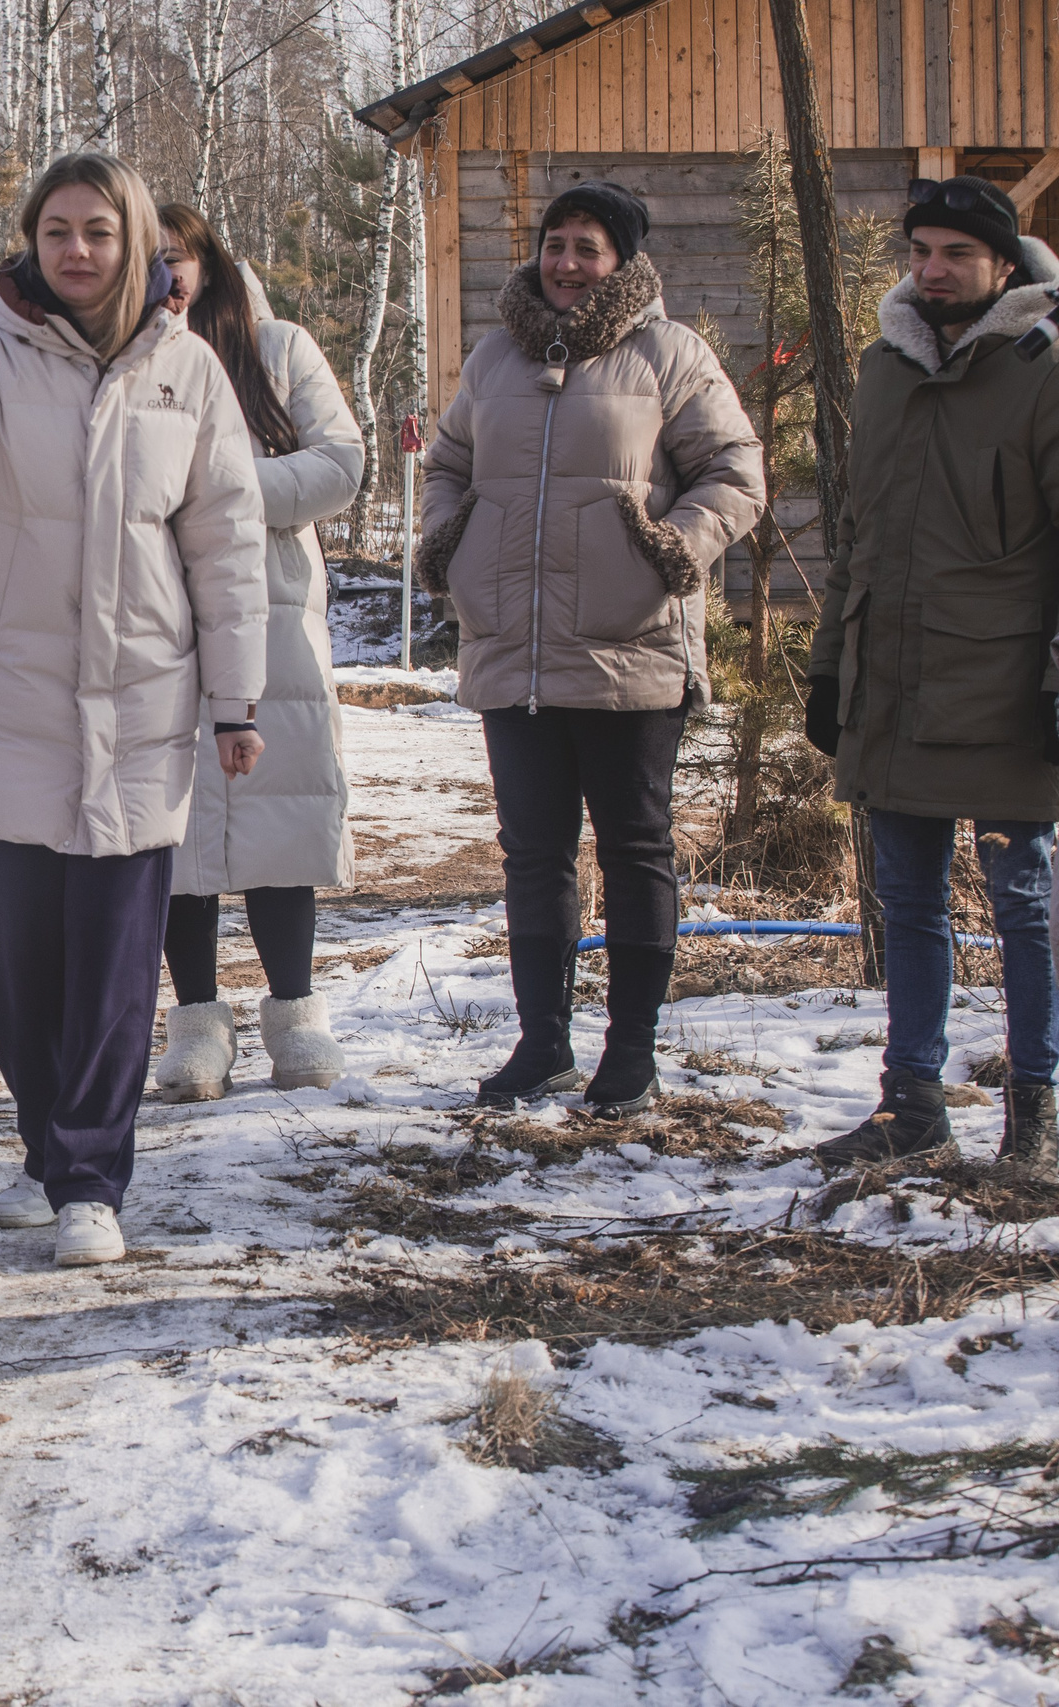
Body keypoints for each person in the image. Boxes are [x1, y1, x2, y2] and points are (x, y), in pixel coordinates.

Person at [0, 153, 270, 1268]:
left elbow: (224, 543)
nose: (75, 251)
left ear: (134, 243)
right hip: (13, 702)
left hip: (146, 701)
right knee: (25, 965)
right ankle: (41, 1147)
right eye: (56, 230)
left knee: (117, 965)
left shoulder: (187, 371)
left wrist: (236, 698)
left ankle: (89, 1180)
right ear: (33, 240)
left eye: (98, 232)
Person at [416, 181, 764, 1119]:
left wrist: (669, 549)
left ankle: (632, 1053)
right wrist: (452, 544)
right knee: (532, 854)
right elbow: (448, 465)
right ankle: (543, 1045)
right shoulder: (494, 359)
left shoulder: (670, 355)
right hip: (513, 652)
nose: (566, 262)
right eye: (555, 243)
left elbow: (737, 473)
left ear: (624, 262)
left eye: (589, 247)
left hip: (630, 650)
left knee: (635, 848)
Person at [804, 178, 1059, 1181]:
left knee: (1022, 902)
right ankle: (911, 1104)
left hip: (1002, 693)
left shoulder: (1042, 370)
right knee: (905, 902)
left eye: (955, 252)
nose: (932, 269)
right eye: (919, 251)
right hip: (892, 689)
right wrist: (831, 670)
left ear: (1003, 262)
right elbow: (859, 539)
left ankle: (1036, 1116)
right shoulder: (883, 368)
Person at [151, 202, 364, 1101]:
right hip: (160, 614)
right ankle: (197, 1019)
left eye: (176, 260)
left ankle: (295, 1011)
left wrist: (224, 496)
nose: (165, 280)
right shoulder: (125, 361)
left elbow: (342, 463)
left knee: (280, 808)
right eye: (147, 263)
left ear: (208, 262)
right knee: (175, 826)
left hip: (271, 614)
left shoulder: (279, 347)